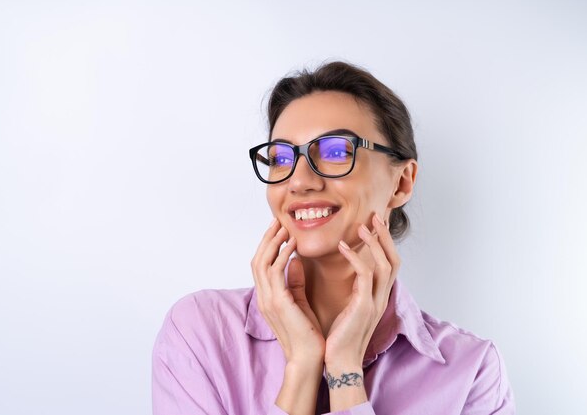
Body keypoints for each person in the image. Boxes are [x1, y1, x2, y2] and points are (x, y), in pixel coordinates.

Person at [151, 61, 516, 415]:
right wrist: (302, 369)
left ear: (401, 182)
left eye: (336, 152)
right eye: (280, 158)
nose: (299, 181)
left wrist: (345, 372)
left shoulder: (472, 374)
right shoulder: (200, 334)